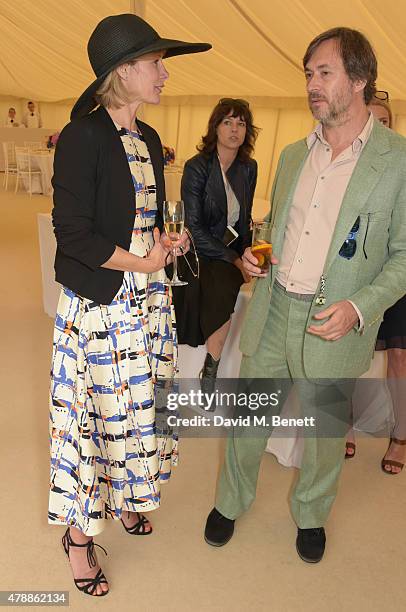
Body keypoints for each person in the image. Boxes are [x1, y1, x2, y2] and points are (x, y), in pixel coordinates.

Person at [204, 27, 406, 563]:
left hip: (335, 321)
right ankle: (229, 502)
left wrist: (361, 306)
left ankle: (312, 516)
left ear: (359, 80)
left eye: (324, 73)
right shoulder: (294, 153)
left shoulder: (399, 160)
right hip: (274, 307)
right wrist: (254, 255)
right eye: (308, 75)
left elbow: (404, 255)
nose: (312, 85)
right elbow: (276, 225)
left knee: (323, 436)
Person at [49, 13, 210, 597]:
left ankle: (128, 495)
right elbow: (75, 235)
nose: (165, 74)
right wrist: (143, 261)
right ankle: (78, 539)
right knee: (89, 424)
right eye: (155, 63)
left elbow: (140, 219)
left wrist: (165, 243)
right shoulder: (82, 137)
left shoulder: (146, 139)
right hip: (100, 308)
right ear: (123, 72)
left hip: (147, 301)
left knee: (140, 412)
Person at [173, 98, 258, 391]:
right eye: (228, 122)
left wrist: (247, 254)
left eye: (241, 123)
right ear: (215, 127)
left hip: (231, 250)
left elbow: (244, 218)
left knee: (224, 283)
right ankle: (211, 371)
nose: (235, 129)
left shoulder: (248, 168)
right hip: (199, 249)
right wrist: (234, 260)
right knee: (219, 285)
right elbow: (193, 227)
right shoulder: (197, 167)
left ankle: (211, 366)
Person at [345, 93, 406, 473]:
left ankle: (400, 435)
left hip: (397, 276)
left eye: (386, 122)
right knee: (349, 358)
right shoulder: (348, 162)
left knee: (400, 358)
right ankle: (344, 426)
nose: (380, 127)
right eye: (375, 121)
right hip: (357, 275)